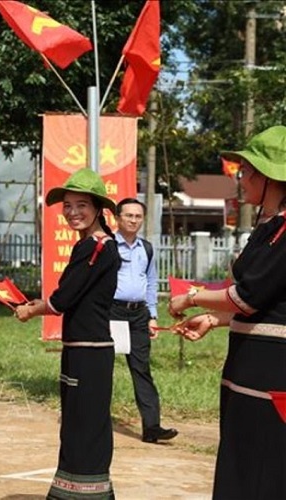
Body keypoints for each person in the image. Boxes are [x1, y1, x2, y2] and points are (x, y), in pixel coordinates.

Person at [169, 125, 286, 499]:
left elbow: (246, 296)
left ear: (271, 177)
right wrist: (214, 319)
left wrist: (192, 298)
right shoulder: (267, 228)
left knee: (262, 470)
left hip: (271, 375)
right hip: (248, 368)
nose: (241, 177)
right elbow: (260, 301)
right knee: (241, 463)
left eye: (248, 170)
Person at [14, 167, 120, 499]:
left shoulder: (96, 247)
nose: (73, 212)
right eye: (68, 206)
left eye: (81, 205)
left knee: (84, 429)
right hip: (82, 347)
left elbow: (63, 299)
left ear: (98, 208)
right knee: (80, 426)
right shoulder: (94, 245)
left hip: (89, 351)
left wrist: (32, 308)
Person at [112, 198, 178, 444]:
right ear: (117, 218)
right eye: (128, 215)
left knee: (141, 369)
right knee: (102, 367)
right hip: (112, 313)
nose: (133, 220)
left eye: (138, 216)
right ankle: (92, 420)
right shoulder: (109, 246)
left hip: (138, 314)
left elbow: (151, 282)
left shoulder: (146, 249)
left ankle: (152, 427)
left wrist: (152, 315)